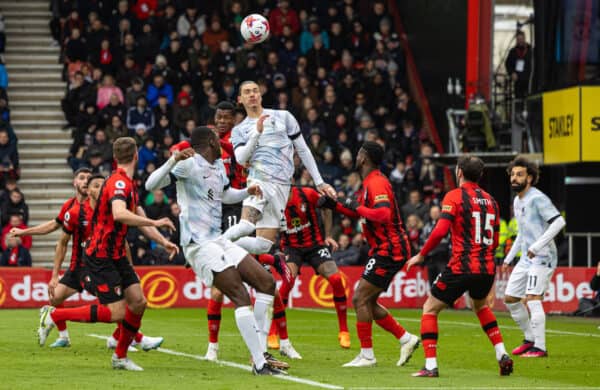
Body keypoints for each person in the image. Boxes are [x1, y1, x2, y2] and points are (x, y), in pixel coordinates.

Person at [145, 126, 287, 375]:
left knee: (266, 282)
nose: (222, 142)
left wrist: (247, 191)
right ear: (210, 141)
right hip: (198, 246)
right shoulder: (189, 164)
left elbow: (224, 195)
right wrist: (172, 160)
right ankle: (259, 363)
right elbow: (150, 184)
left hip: (218, 240)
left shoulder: (219, 165)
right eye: (217, 138)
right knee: (240, 295)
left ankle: (261, 352)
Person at [38, 137, 179, 371]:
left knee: (138, 302)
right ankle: (56, 316)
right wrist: (155, 220)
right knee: (117, 312)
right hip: (101, 254)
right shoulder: (119, 184)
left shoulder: (127, 183)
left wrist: (163, 241)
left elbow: (138, 221)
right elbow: (120, 214)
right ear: (136, 156)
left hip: (115, 254)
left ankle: (120, 356)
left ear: (115, 158)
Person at [406, 155, 513, 377]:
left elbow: (440, 230)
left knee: (430, 309)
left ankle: (430, 365)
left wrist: (421, 255)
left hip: (461, 266)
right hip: (486, 267)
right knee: (481, 307)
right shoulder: (492, 201)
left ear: (460, 172)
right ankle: (502, 353)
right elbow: (494, 240)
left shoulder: (454, 196)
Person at [221, 81, 336, 282]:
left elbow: (303, 149)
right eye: (247, 92)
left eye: (255, 90)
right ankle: (216, 244)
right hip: (259, 182)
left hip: (283, 187)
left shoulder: (284, 117)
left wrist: (319, 182)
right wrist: (256, 132)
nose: (252, 95)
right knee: (247, 225)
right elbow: (240, 158)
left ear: (261, 94)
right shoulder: (240, 130)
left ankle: (226, 245)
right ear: (240, 100)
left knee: (264, 245)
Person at [319, 142, 418, 368]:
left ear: (363, 158)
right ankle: (406, 339)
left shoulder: (377, 182)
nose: (356, 156)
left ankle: (367, 356)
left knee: (359, 298)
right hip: (384, 247)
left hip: (390, 248)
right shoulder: (368, 184)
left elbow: (383, 214)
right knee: (368, 302)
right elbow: (360, 213)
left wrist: (352, 204)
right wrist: (335, 205)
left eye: (358, 152)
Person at [502, 157, 566, 357]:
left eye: (519, 174)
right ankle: (529, 339)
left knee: (532, 299)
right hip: (526, 258)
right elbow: (522, 232)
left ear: (529, 178)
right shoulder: (517, 200)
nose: (514, 178)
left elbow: (558, 223)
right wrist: (508, 258)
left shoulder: (538, 198)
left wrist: (537, 246)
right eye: (512, 174)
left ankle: (540, 347)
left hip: (543, 256)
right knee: (511, 298)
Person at [504, 31, 532, 100]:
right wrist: (511, 73)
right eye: (518, 39)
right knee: (518, 99)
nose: (520, 41)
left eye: (521, 39)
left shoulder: (530, 50)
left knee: (528, 98)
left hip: (529, 80)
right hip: (518, 80)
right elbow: (507, 64)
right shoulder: (513, 51)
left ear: (524, 38)